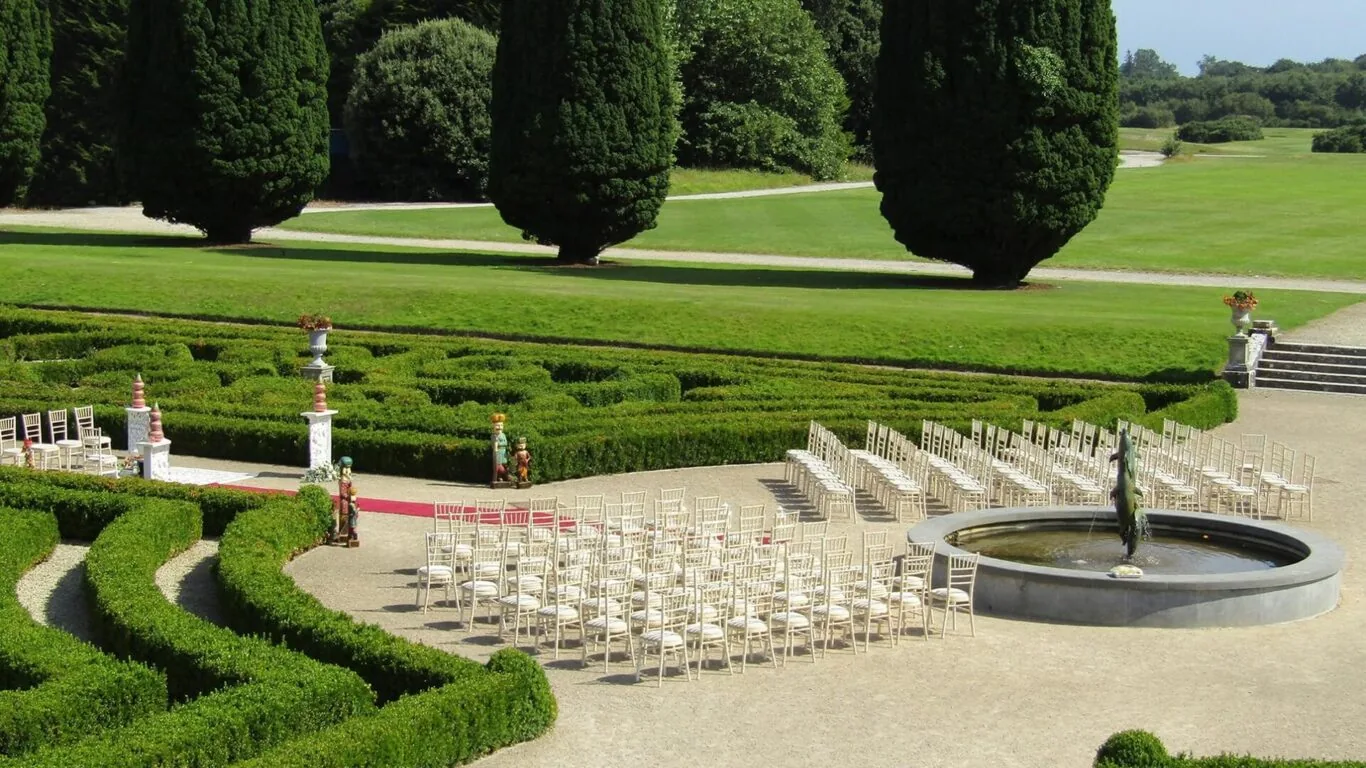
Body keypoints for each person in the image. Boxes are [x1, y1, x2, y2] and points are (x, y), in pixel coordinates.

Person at [490, 413, 510, 486]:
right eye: (498, 425)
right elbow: (493, 445)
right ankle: (498, 477)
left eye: (501, 425)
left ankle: (505, 477)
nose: (499, 427)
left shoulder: (503, 435)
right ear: (494, 426)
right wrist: (496, 444)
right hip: (497, 452)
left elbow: (505, 443)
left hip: (503, 452)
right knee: (497, 466)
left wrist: (500, 444)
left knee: (504, 464)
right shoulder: (493, 436)